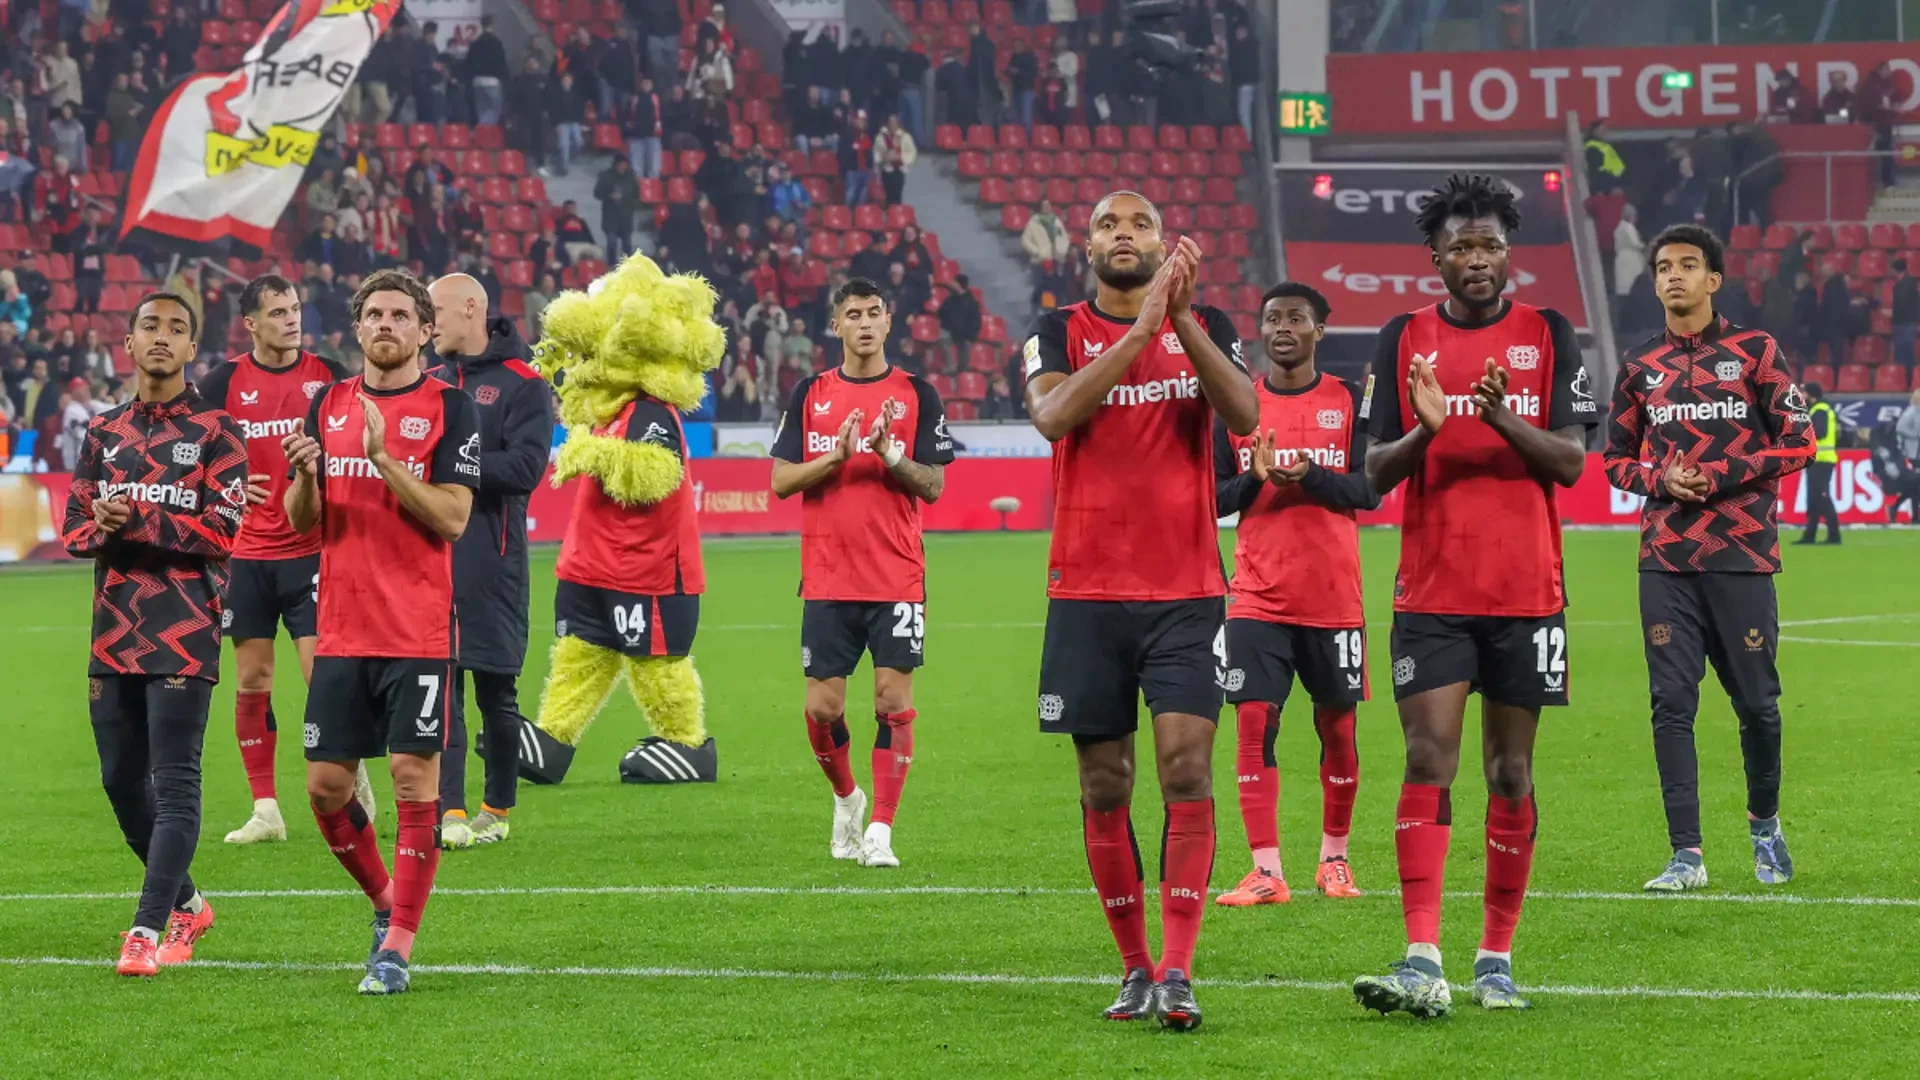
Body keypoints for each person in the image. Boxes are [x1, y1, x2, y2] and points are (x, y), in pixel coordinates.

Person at [1354, 174, 1596, 1017]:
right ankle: (1422, 953)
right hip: (1432, 591)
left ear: (1508, 251)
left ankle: (1495, 957)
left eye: (1490, 244)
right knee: (1429, 760)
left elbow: (1570, 463)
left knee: (1510, 769)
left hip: (1528, 591)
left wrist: (1498, 419)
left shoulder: (1548, 333)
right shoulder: (1402, 337)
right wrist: (1426, 426)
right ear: (1436, 256)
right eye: (1461, 246)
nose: (1477, 259)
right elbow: (1372, 474)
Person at [1022, 190, 1257, 1029]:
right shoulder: (1056, 330)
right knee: (1104, 780)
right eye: (1109, 225)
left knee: (1186, 771)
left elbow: (1247, 414)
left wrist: (1181, 322)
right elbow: (1052, 415)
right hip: (1086, 594)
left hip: (1188, 593)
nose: (1125, 235)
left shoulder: (1210, 325)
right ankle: (1133, 968)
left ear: (1164, 243)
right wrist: (1138, 330)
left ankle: (1180, 970)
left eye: (1141, 225)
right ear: (1085, 246)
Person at [281, 268, 480, 995]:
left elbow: (454, 517)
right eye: (374, 314)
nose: (387, 324)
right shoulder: (326, 404)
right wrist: (306, 474)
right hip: (340, 628)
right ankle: (382, 902)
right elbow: (303, 521)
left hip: (417, 632)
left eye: (402, 314)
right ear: (357, 328)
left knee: (409, 779)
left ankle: (396, 948)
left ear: (426, 330)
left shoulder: (450, 408)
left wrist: (383, 460)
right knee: (327, 789)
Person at [1603, 223, 1813, 894]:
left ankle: (1764, 825)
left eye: (1688, 265)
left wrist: (1725, 472)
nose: (1673, 275)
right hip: (1665, 555)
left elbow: (1800, 442)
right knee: (1670, 702)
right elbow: (1612, 460)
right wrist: (1660, 482)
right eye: (1664, 266)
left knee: (1757, 705)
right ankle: (1686, 855)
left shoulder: (1757, 351)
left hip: (1743, 552)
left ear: (1713, 280)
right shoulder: (1640, 365)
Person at [63, 292, 250, 976]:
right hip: (113, 631)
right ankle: (191, 900)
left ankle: (146, 930)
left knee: (174, 783)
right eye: (151, 326)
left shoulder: (218, 432)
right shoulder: (104, 431)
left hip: (185, 628)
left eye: (177, 329)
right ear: (131, 343)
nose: (163, 337)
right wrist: (101, 526)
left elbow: (225, 531)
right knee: (119, 782)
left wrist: (134, 520)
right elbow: (74, 529)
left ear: (192, 348)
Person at [770, 278, 954, 868]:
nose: (866, 323)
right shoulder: (810, 393)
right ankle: (848, 798)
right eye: (854, 314)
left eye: (875, 312)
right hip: (826, 578)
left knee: (892, 700)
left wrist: (892, 455)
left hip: (896, 575)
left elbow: (935, 485)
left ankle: (880, 828)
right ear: (837, 326)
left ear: (889, 322)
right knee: (823, 710)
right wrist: (837, 458)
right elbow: (779, 482)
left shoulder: (917, 393)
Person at [1211, 282, 1378, 909]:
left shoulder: (1346, 401)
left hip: (1334, 595)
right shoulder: (1238, 408)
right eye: (1273, 318)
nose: (1283, 327)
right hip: (1256, 595)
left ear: (1319, 331)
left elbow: (1368, 490)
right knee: (1254, 722)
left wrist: (1313, 477)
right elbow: (1213, 498)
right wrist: (1254, 482)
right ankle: (1265, 871)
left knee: (1337, 729)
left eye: (1296, 318)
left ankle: (1334, 859)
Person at [197, 275, 359, 844]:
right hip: (246, 556)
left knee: (324, 674)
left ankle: (349, 774)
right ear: (251, 323)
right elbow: (193, 456)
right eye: (278, 312)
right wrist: (232, 480)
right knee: (253, 677)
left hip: (313, 550)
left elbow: (357, 445)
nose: (292, 320)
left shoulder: (330, 377)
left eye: (296, 309)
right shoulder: (222, 384)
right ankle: (266, 809)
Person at [423, 274, 552, 848]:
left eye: (435, 312)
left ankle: (496, 809)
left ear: (472, 308)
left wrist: (451, 469)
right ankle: (449, 811)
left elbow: (525, 470)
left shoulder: (523, 384)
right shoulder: (426, 383)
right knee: (440, 685)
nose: (429, 325)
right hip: (429, 558)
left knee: (496, 691)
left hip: (494, 561)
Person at [1797, 382, 1841, 545]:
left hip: (1822, 460)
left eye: (1804, 393)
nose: (1803, 396)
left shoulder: (1820, 409)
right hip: (1818, 460)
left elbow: (1820, 433)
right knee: (1814, 499)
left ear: (1811, 394)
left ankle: (1834, 535)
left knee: (1822, 498)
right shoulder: (1819, 408)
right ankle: (1810, 535)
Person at [875, 114, 916, 207]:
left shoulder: (905, 136)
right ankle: (890, 214)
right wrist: (884, 157)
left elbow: (912, 151)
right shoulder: (881, 137)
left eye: (894, 122)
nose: (892, 124)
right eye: (890, 122)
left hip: (899, 169)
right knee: (888, 195)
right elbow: (877, 152)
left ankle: (897, 215)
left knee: (897, 194)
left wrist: (901, 157)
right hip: (886, 169)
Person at [1891, 259, 1917, 373]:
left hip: (1907, 321)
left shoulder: (1909, 282)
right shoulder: (1901, 283)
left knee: (1907, 349)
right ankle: (1902, 374)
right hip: (1900, 321)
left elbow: (1911, 303)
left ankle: (1909, 375)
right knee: (1900, 350)